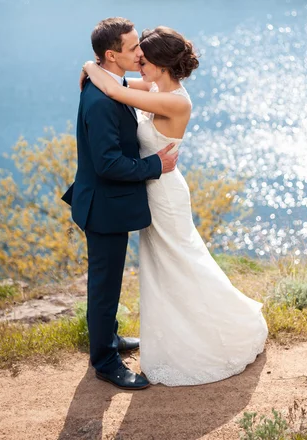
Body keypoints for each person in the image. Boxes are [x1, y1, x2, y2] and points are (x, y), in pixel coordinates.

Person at [81, 25, 268, 387]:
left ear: (162, 65)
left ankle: (218, 333)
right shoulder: (153, 87)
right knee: (161, 268)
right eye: (135, 54)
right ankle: (168, 336)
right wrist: (96, 67)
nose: (138, 62)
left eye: (144, 58)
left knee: (181, 262)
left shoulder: (175, 101)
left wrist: (90, 67)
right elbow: (116, 87)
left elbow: (110, 90)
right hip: (150, 188)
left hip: (164, 194)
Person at [62, 17, 178, 391]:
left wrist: (89, 66)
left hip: (109, 203)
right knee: (104, 285)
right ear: (111, 55)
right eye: (133, 48)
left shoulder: (110, 82)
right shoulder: (99, 101)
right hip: (103, 207)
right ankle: (105, 361)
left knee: (108, 281)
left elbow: (119, 88)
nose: (140, 52)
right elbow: (108, 163)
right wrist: (154, 165)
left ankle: (108, 339)